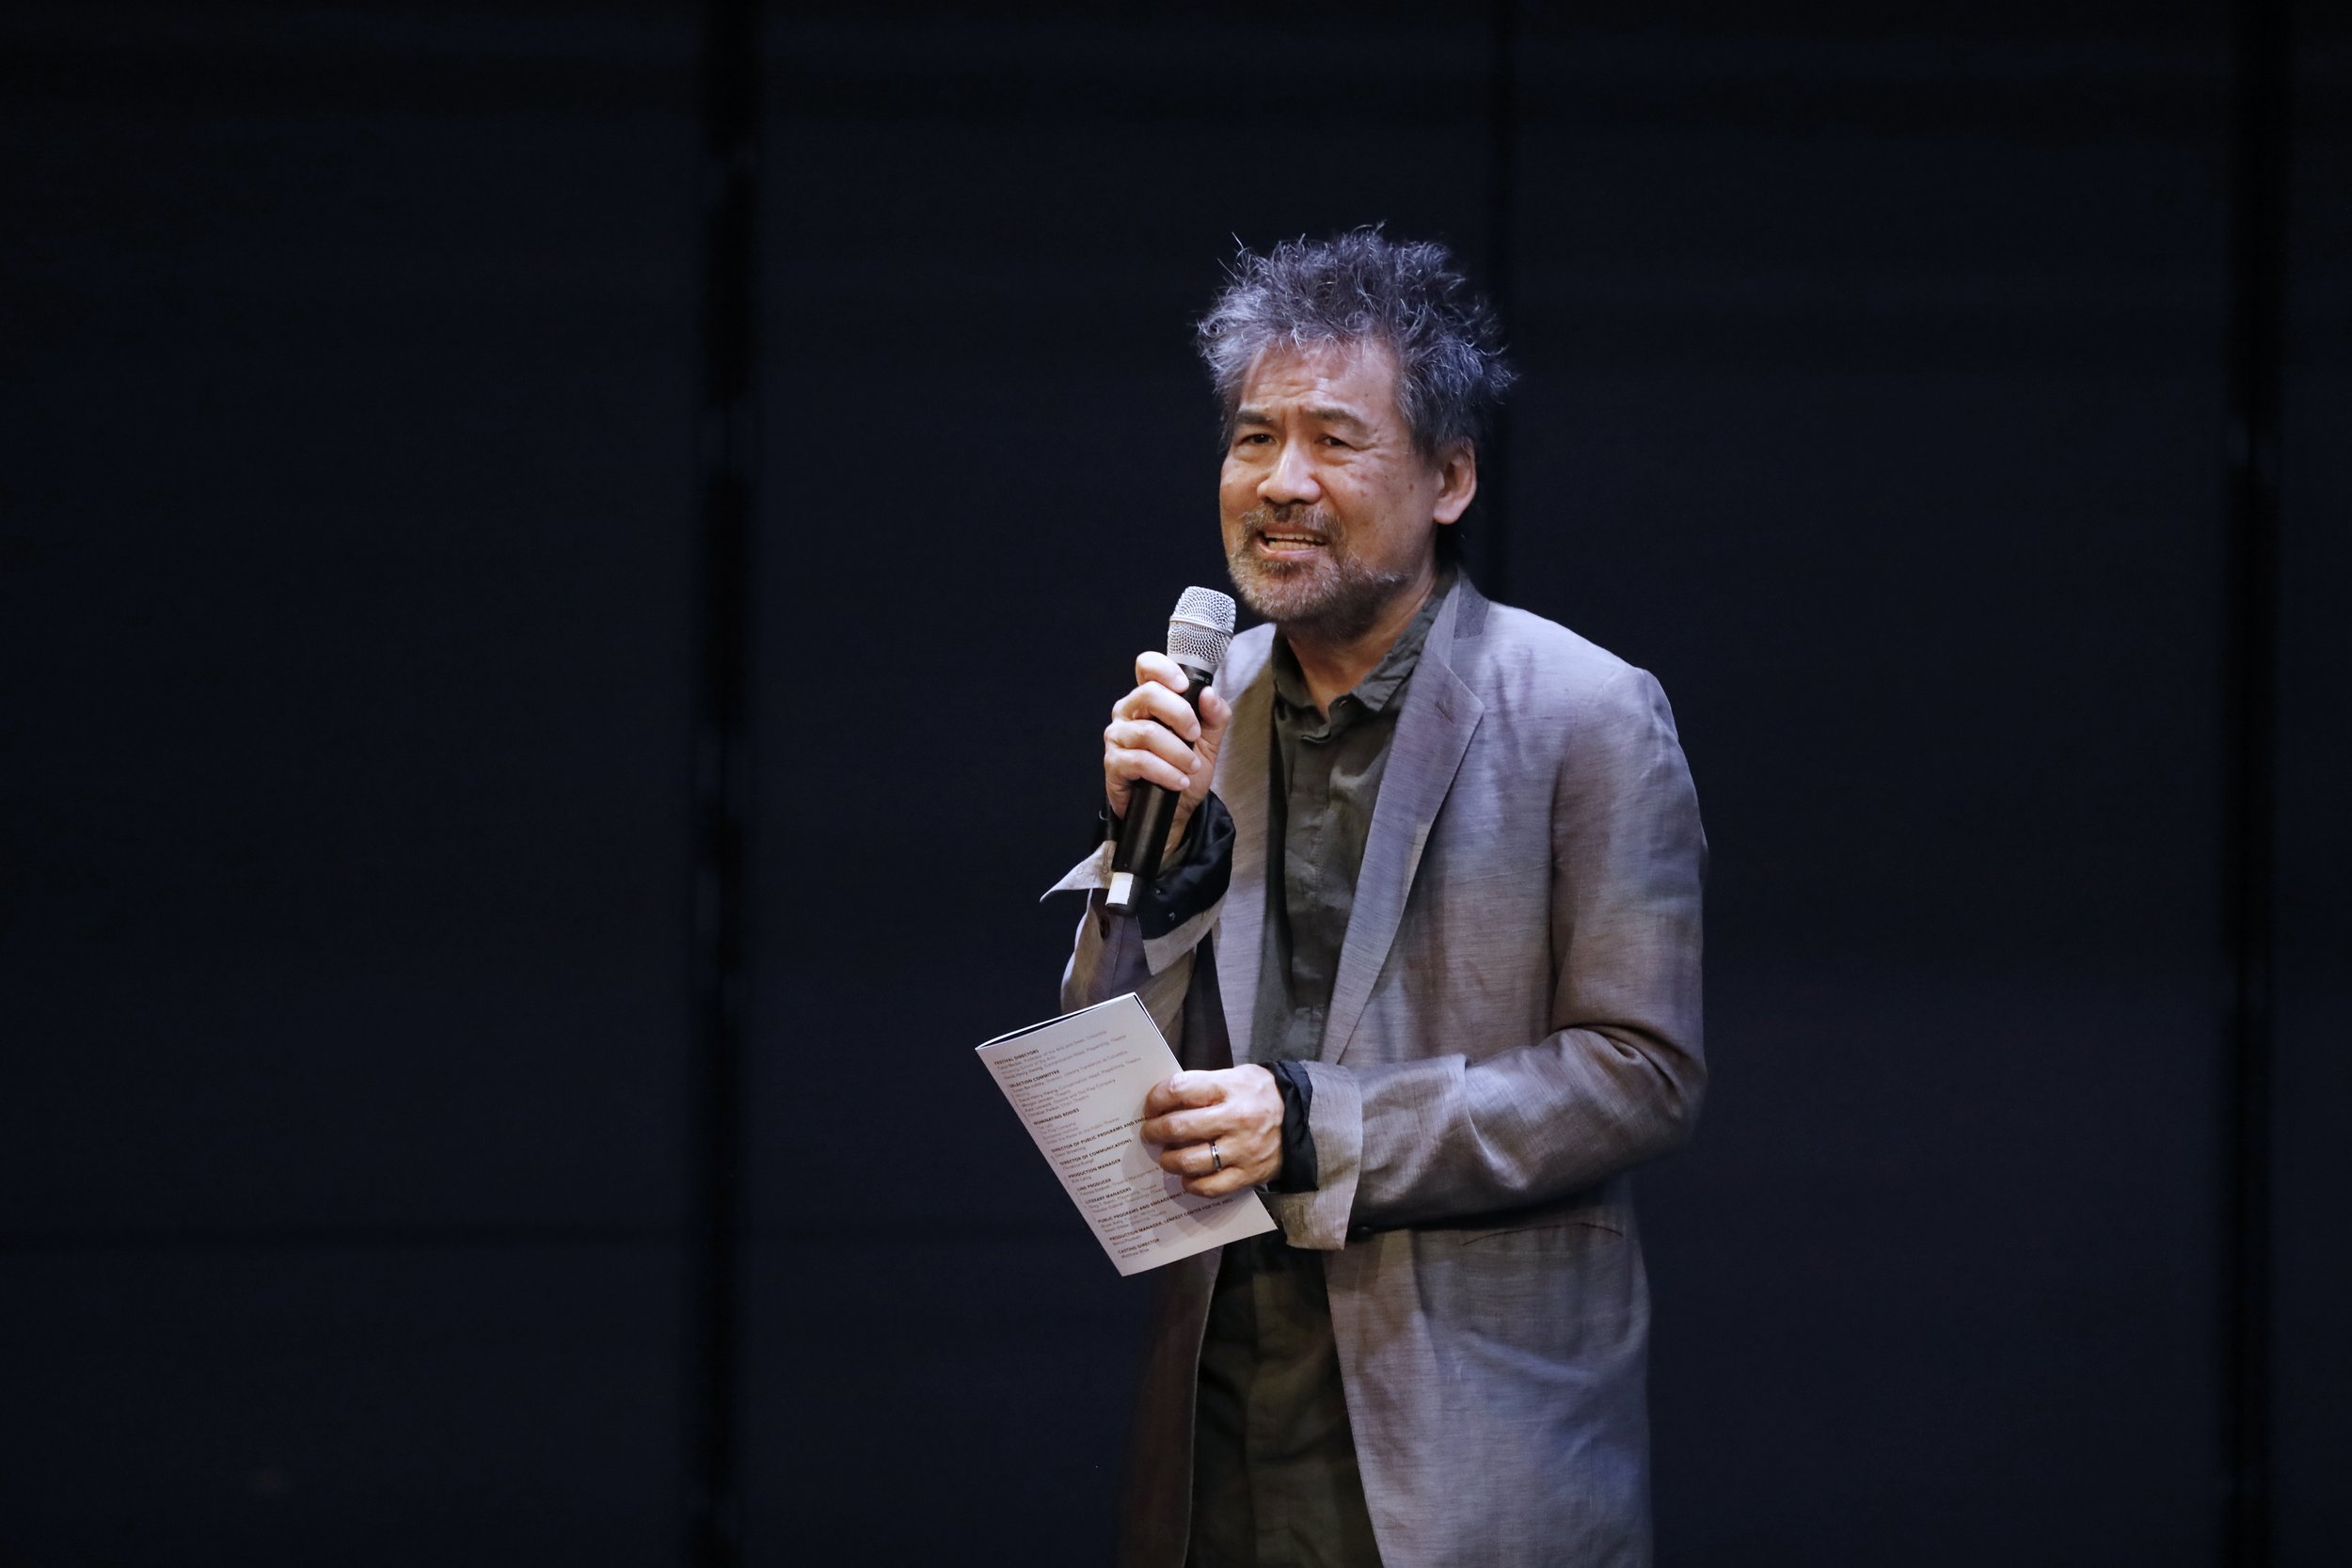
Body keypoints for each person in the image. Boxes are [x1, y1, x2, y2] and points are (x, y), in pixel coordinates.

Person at [1049, 229, 1708, 1568]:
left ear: (1450, 477)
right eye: (1252, 439)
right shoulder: (1195, 707)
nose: (1281, 483)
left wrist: (1316, 1125)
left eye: (1334, 442)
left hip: (1468, 1458)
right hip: (1218, 1435)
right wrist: (1141, 872)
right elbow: (1096, 1079)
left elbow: (1642, 1072)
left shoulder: (1587, 713)